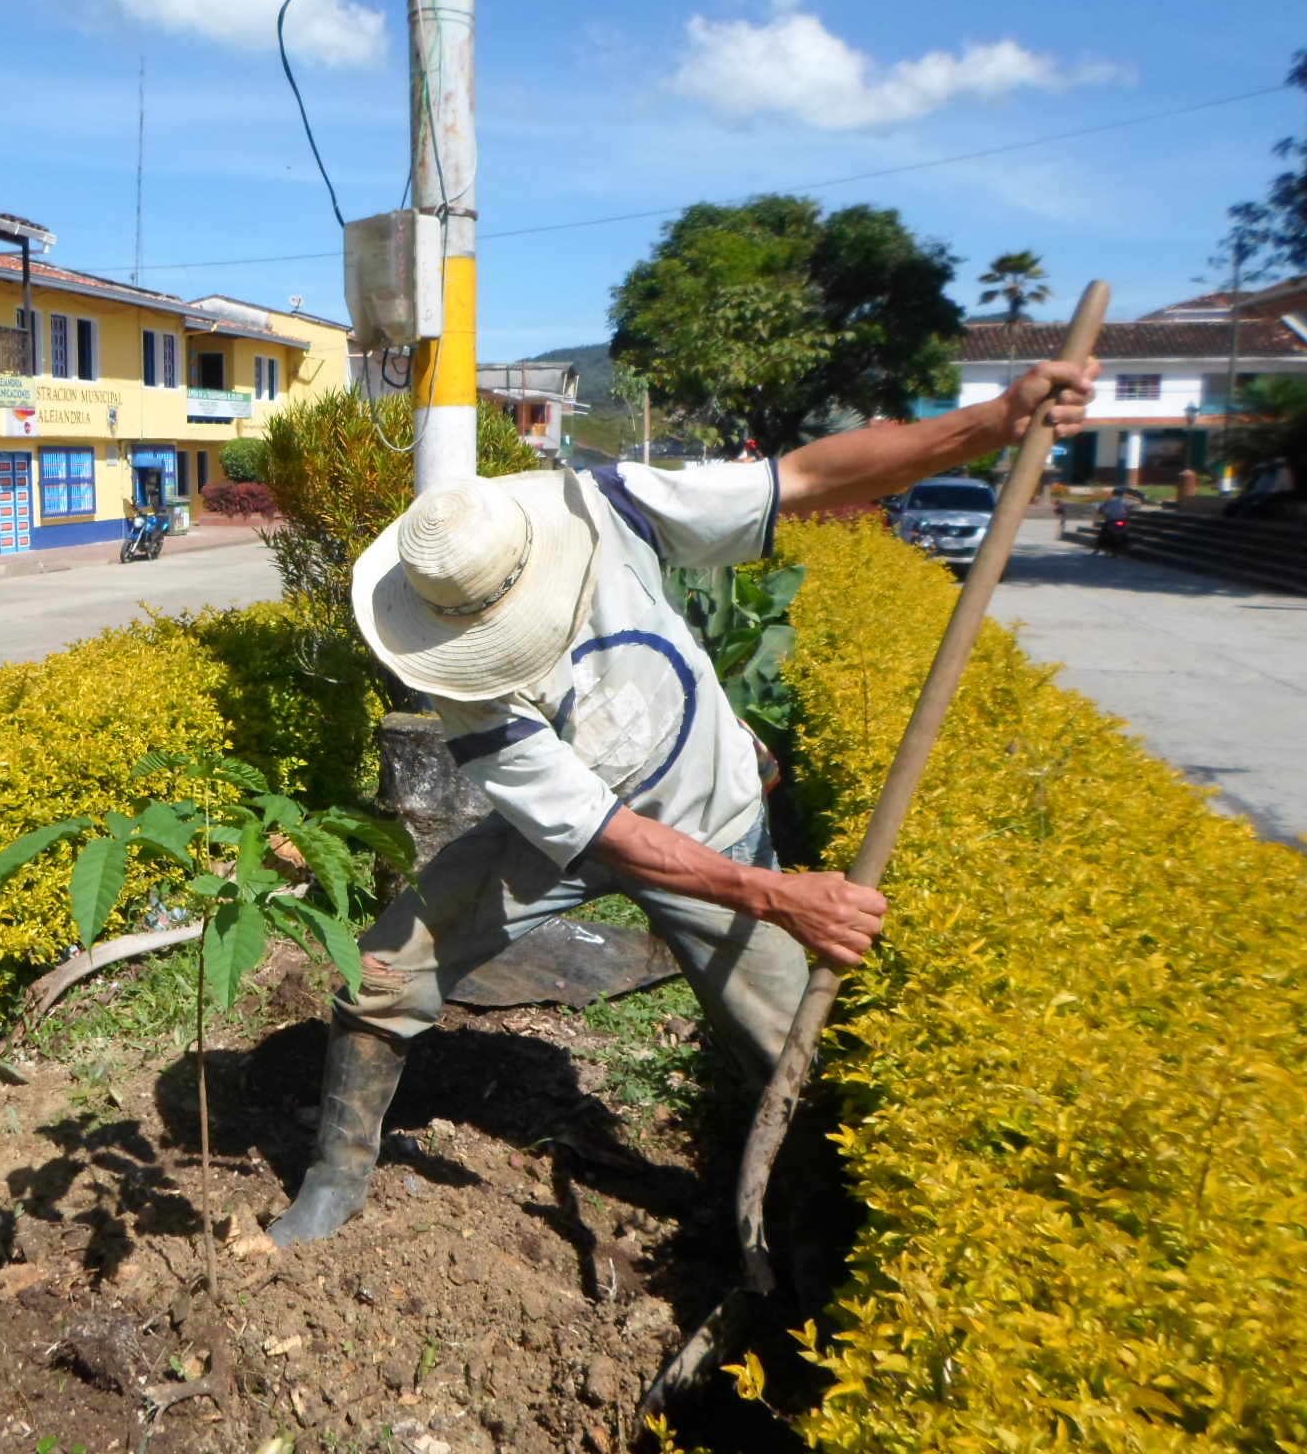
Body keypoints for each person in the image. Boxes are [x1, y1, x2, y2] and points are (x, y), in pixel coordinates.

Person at [268, 359, 1096, 1249]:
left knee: (797, 1062)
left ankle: (813, 1240)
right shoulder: (449, 666)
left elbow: (810, 478)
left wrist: (991, 422)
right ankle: (334, 1178)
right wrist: (784, 898)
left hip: (718, 824)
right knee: (383, 973)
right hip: (567, 839)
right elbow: (601, 831)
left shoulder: (610, 507)